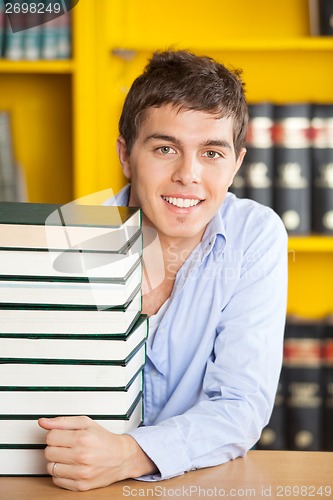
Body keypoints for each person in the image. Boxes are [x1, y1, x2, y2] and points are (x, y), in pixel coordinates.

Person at [38, 49, 288, 491]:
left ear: (236, 164)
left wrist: (131, 453)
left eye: (211, 152)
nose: (188, 175)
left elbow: (240, 405)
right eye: (165, 148)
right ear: (126, 155)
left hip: (197, 486)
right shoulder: (66, 237)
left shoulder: (255, 235)